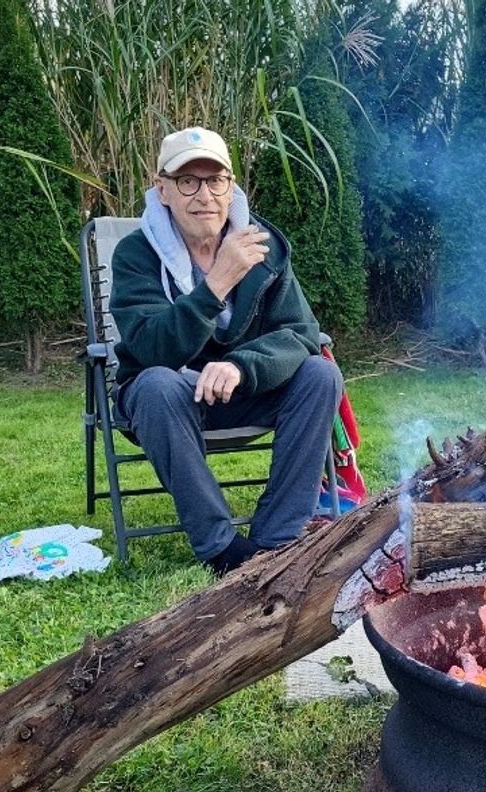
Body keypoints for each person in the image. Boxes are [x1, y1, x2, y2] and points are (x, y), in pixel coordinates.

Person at [110, 126, 343, 576]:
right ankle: (223, 550)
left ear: (230, 185)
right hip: (170, 403)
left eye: (215, 180)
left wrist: (241, 365)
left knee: (320, 375)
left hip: (241, 391)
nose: (204, 195)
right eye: (187, 181)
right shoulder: (135, 255)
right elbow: (151, 348)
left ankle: (276, 540)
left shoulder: (264, 247)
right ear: (162, 190)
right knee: (156, 384)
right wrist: (219, 280)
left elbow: (300, 331)